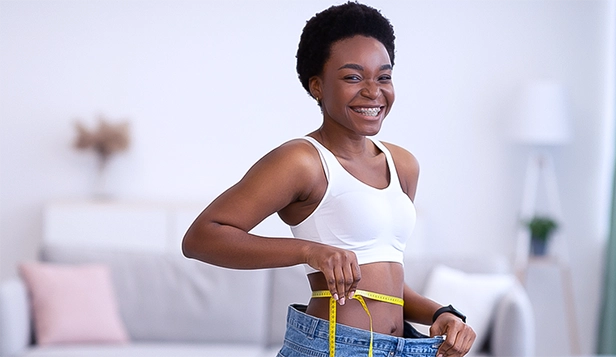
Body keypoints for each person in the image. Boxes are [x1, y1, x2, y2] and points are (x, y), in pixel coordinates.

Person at [182, 2, 476, 357]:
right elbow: (201, 237)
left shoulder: (403, 165)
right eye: (353, 77)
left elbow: (383, 279)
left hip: (406, 349)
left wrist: (440, 313)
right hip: (332, 348)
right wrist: (310, 251)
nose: (373, 91)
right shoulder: (301, 161)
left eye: (383, 76)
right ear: (317, 86)